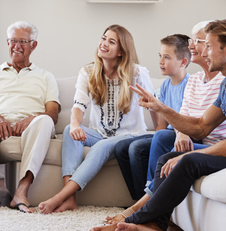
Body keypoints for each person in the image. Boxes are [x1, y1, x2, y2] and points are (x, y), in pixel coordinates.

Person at [112, 19, 226, 231]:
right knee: (168, 158)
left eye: (209, 46)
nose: (204, 53)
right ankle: (157, 226)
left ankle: (135, 219)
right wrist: (160, 106)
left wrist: (189, 155)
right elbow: (201, 127)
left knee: (187, 161)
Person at [90, 21, 226, 231]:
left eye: (199, 42)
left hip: (209, 142)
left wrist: (173, 123)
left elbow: (203, 127)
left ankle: (141, 211)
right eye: (192, 41)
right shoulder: (194, 82)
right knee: (148, 142)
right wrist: (181, 130)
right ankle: (146, 209)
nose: (192, 45)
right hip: (191, 137)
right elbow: (183, 120)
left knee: (156, 142)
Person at [38, 25, 155, 214]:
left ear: (121, 51)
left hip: (131, 135)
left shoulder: (137, 73)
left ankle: (60, 196)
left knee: (101, 146)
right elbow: (79, 105)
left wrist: (159, 132)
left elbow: (154, 103)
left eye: (111, 41)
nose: (104, 44)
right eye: (103, 38)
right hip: (100, 133)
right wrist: (75, 124)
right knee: (69, 130)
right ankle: (70, 199)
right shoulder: (88, 72)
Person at [0, 21, 60, 213]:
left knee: (45, 120)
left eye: (23, 41)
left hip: (30, 127)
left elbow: (53, 113)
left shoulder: (46, 77)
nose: (17, 46)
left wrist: (32, 118)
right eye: (13, 40)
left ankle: (21, 192)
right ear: (7, 43)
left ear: (34, 45)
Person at [114, 34, 191, 200]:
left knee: (137, 148)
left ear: (183, 62)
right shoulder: (165, 86)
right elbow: (161, 125)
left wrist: (160, 136)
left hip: (181, 135)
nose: (161, 61)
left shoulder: (190, 85)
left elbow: (189, 122)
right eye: (160, 56)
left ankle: (150, 197)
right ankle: (138, 199)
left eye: (167, 57)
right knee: (121, 148)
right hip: (166, 135)